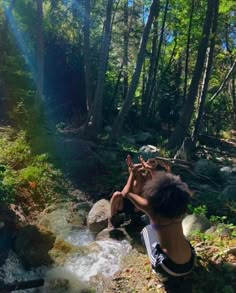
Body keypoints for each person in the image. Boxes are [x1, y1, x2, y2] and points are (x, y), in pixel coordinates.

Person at [110, 155, 195, 288]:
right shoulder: (180, 205)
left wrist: (132, 173)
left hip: (169, 266)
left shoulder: (151, 208)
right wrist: (152, 170)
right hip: (190, 262)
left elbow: (126, 193)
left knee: (147, 230)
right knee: (179, 237)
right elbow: (173, 186)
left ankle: (159, 272)